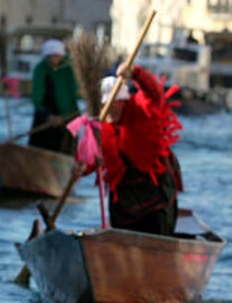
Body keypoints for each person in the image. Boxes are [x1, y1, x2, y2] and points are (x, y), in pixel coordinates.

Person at [92, 62, 183, 235]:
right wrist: (80, 168)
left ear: (124, 102)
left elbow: (155, 93)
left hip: (154, 190)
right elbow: (88, 159)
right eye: (106, 104)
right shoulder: (99, 126)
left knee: (157, 234)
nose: (110, 108)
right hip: (123, 199)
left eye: (115, 103)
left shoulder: (141, 108)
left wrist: (135, 73)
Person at [28, 38, 80, 154]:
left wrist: (64, 116)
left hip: (67, 114)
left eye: (55, 56)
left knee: (66, 148)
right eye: (49, 57)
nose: (52, 60)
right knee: (40, 147)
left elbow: (73, 92)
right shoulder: (40, 69)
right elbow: (37, 96)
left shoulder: (69, 68)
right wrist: (48, 116)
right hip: (46, 114)